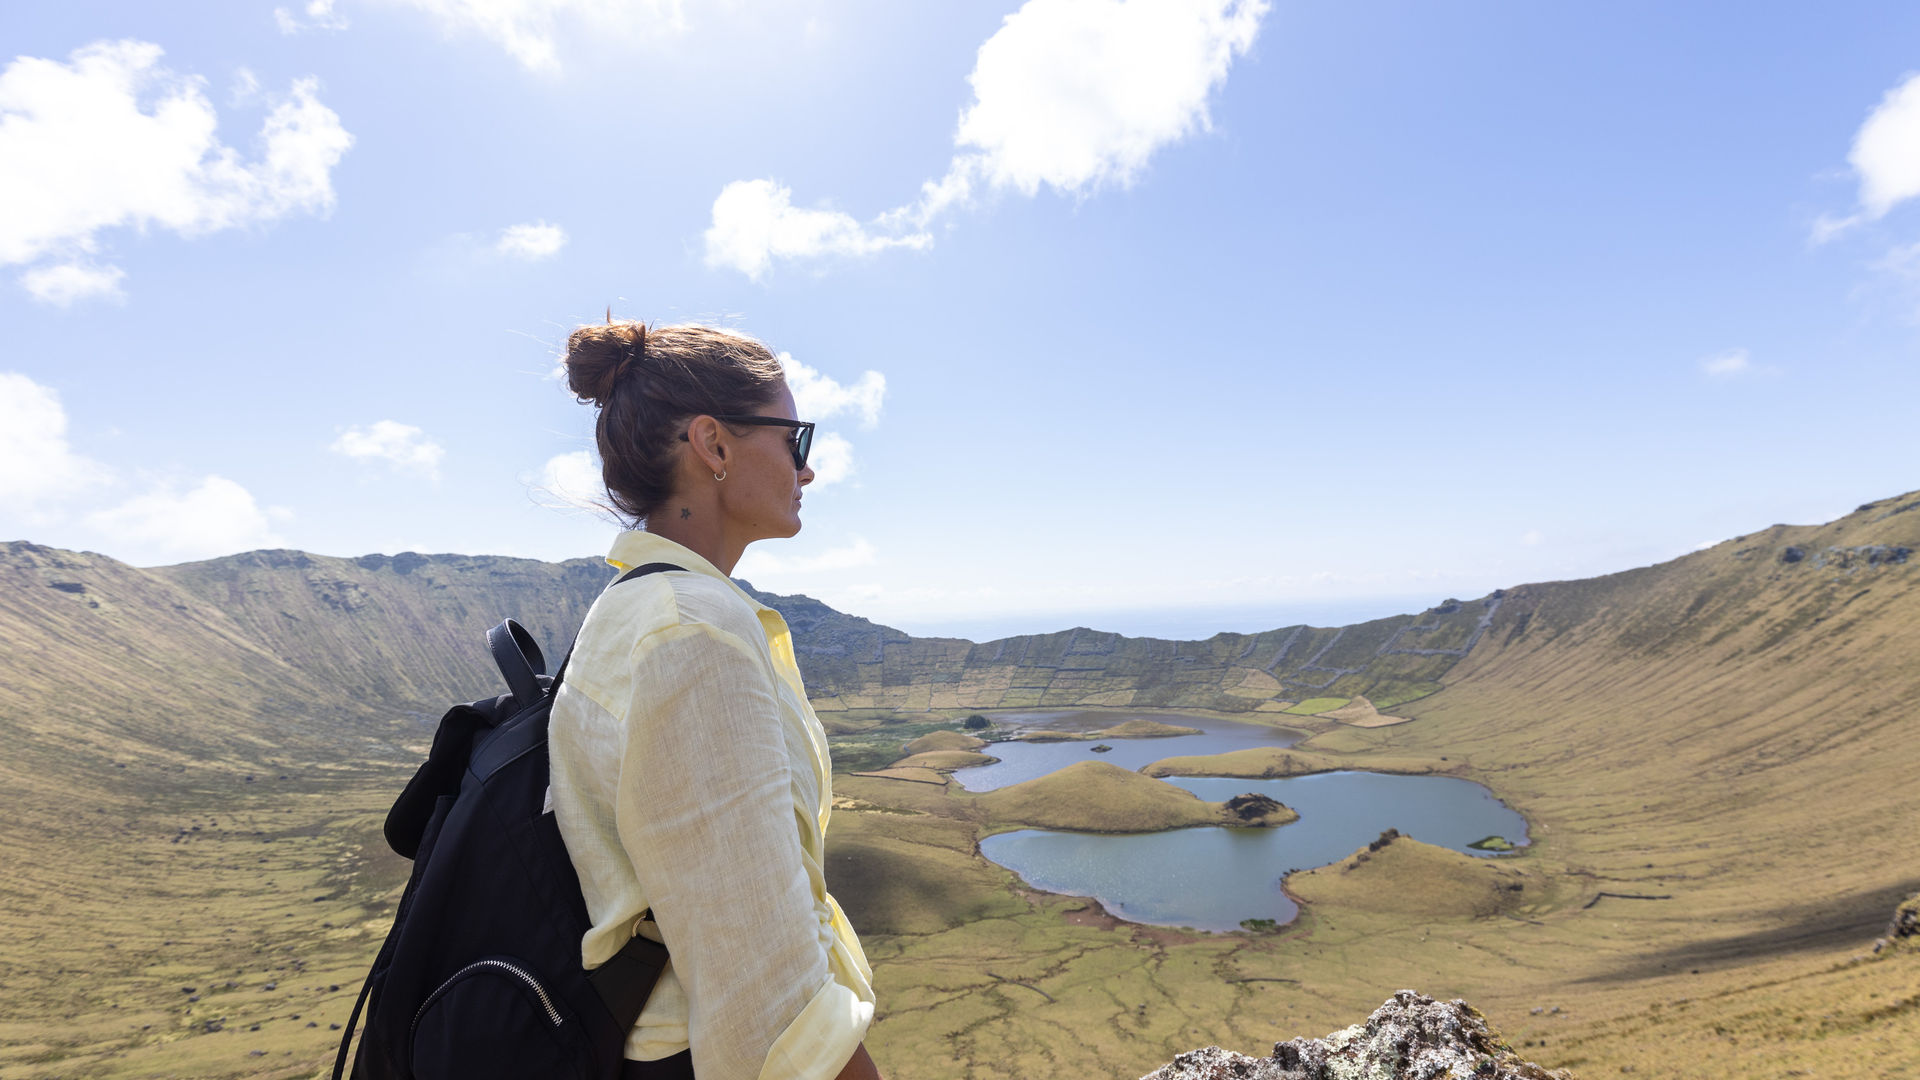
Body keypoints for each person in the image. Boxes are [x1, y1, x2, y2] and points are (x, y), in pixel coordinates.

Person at [549, 318, 884, 1080]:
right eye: (795, 439)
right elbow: (767, 1001)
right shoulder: (692, 630)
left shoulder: (641, 606)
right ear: (715, 446)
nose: (807, 470)